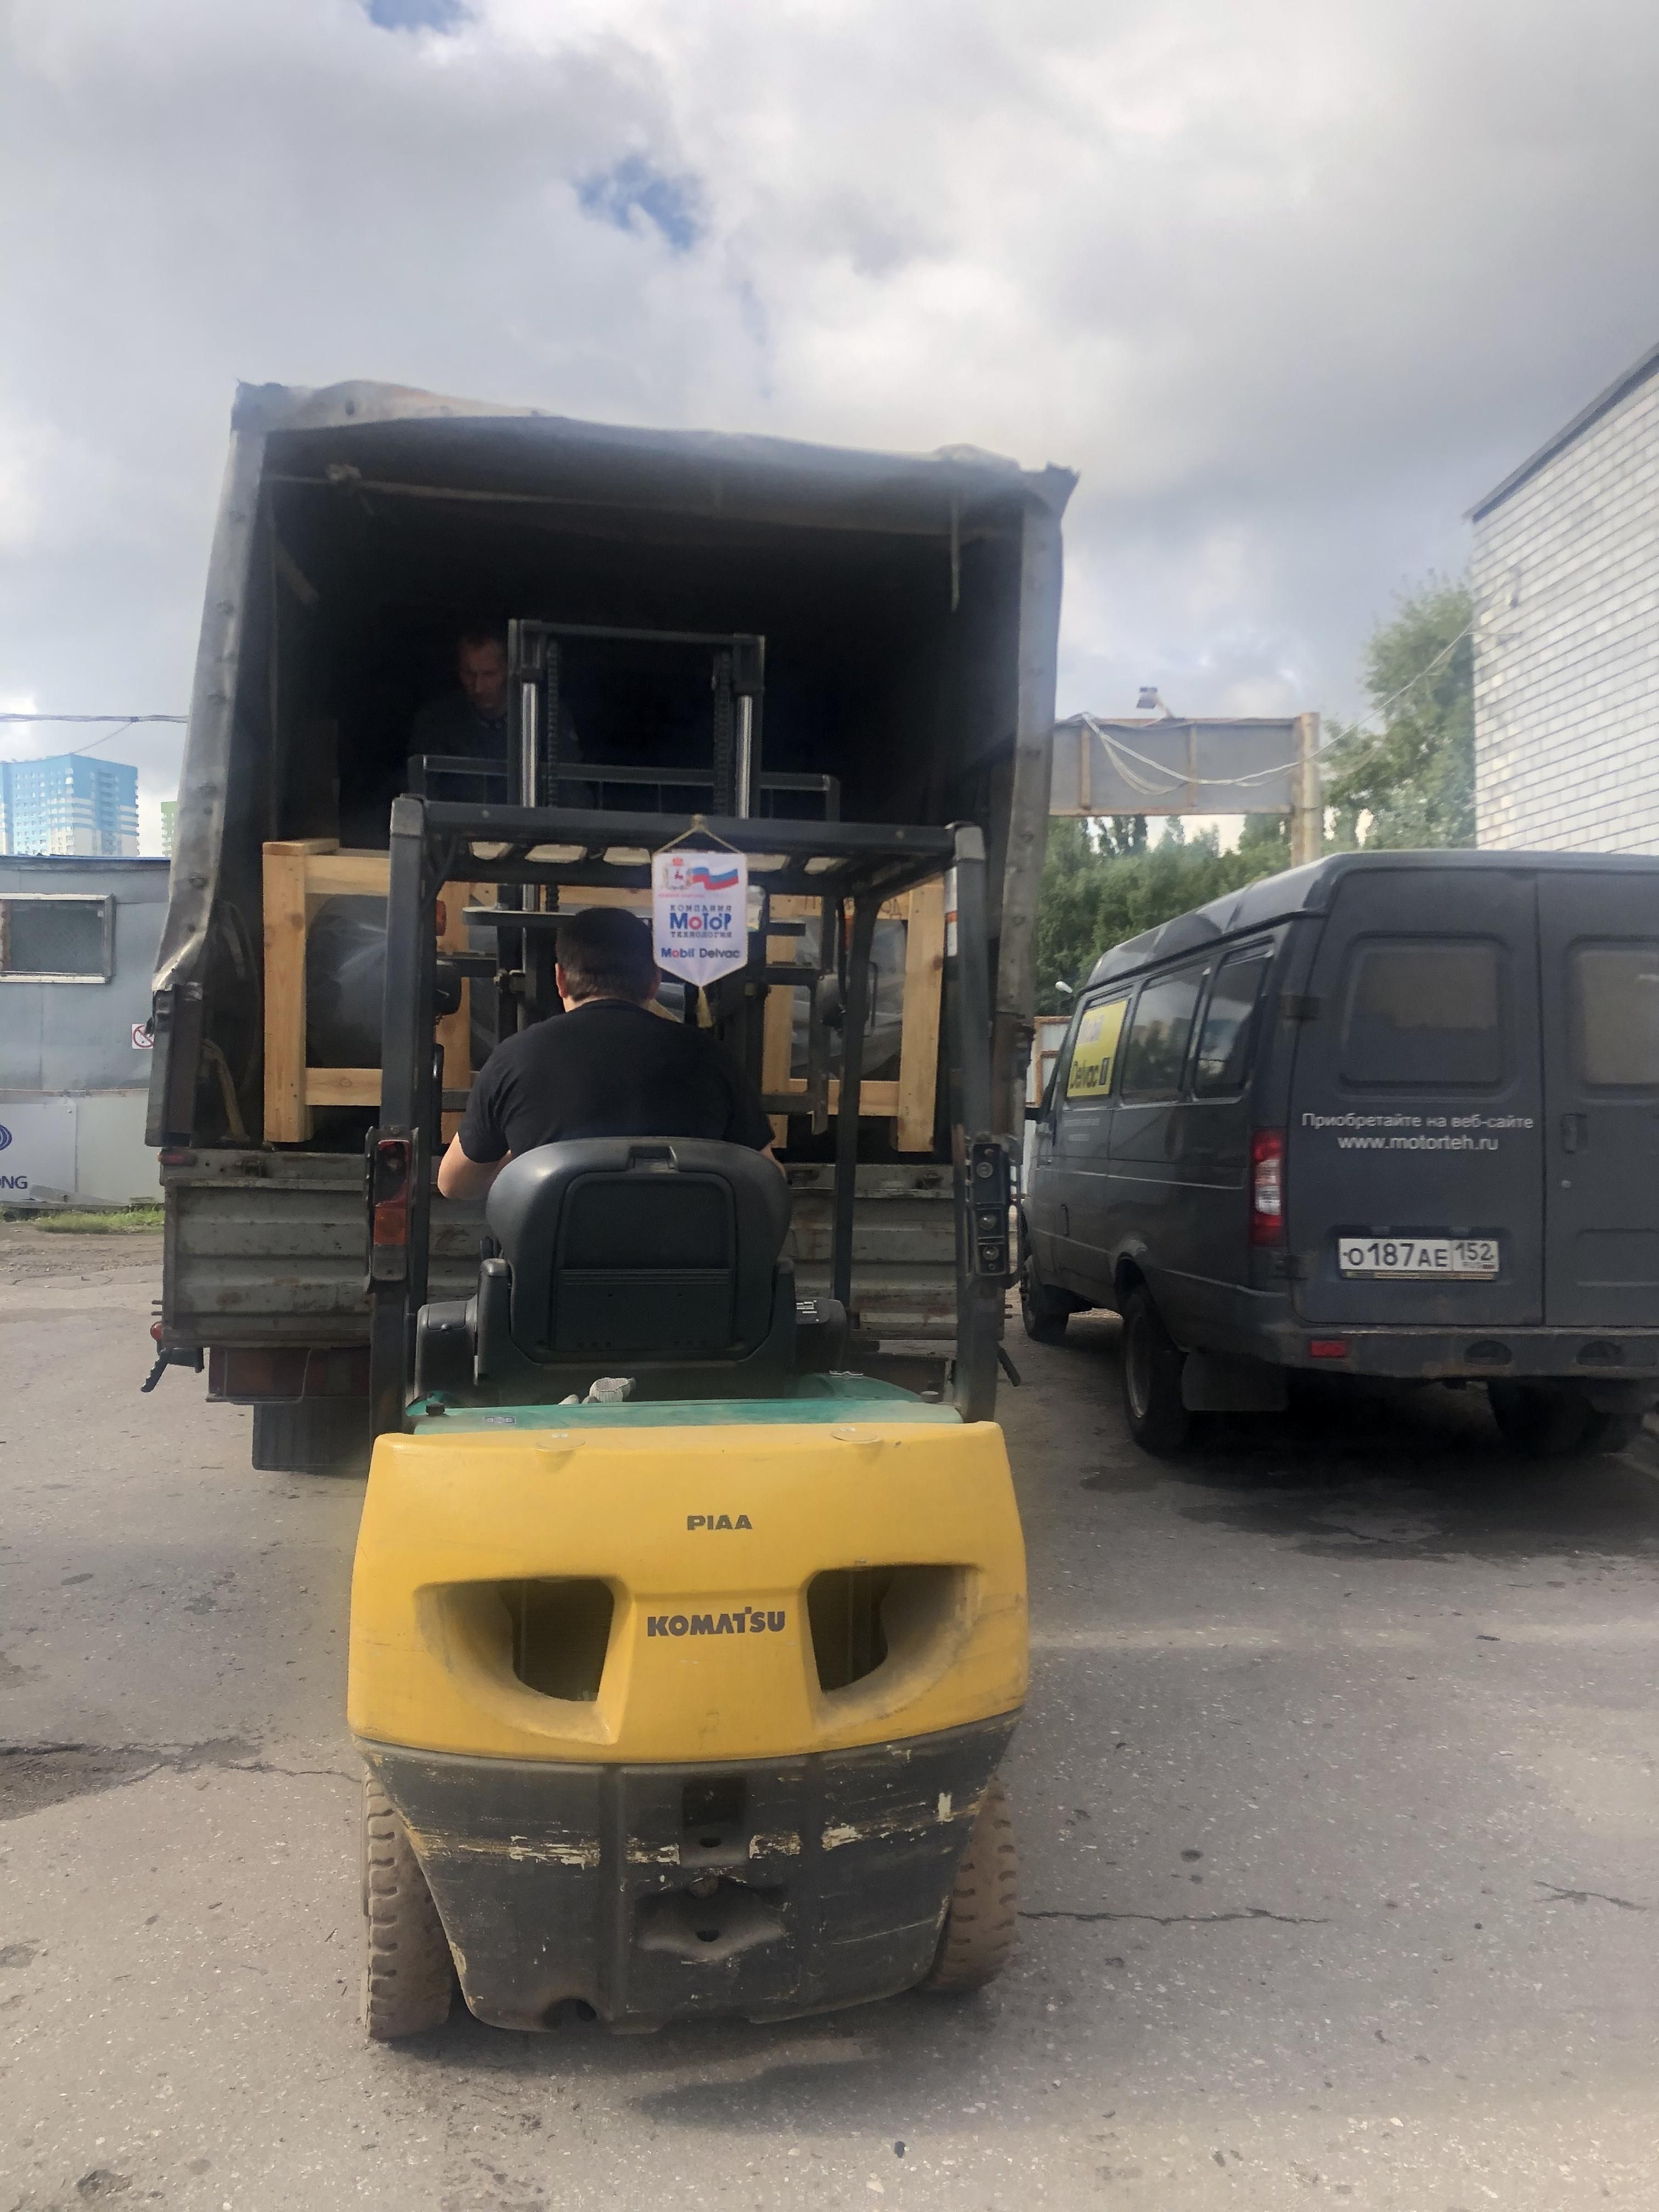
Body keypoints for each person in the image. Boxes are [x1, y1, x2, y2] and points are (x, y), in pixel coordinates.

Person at [437, 905, 777, 1199]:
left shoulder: (513, 1058)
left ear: (560, 980)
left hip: (554, 1257)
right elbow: (767, 1177)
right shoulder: (712, 1057)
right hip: (685, 1255)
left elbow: (454, 1184)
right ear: (655, 982)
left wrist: (526, 1160)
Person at [407, 624, 512, 801]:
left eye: (489, 674)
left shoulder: (543, 720)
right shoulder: (437, 722)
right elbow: (422, 792)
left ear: (509, 670)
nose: (478, 687)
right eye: (469, 674)